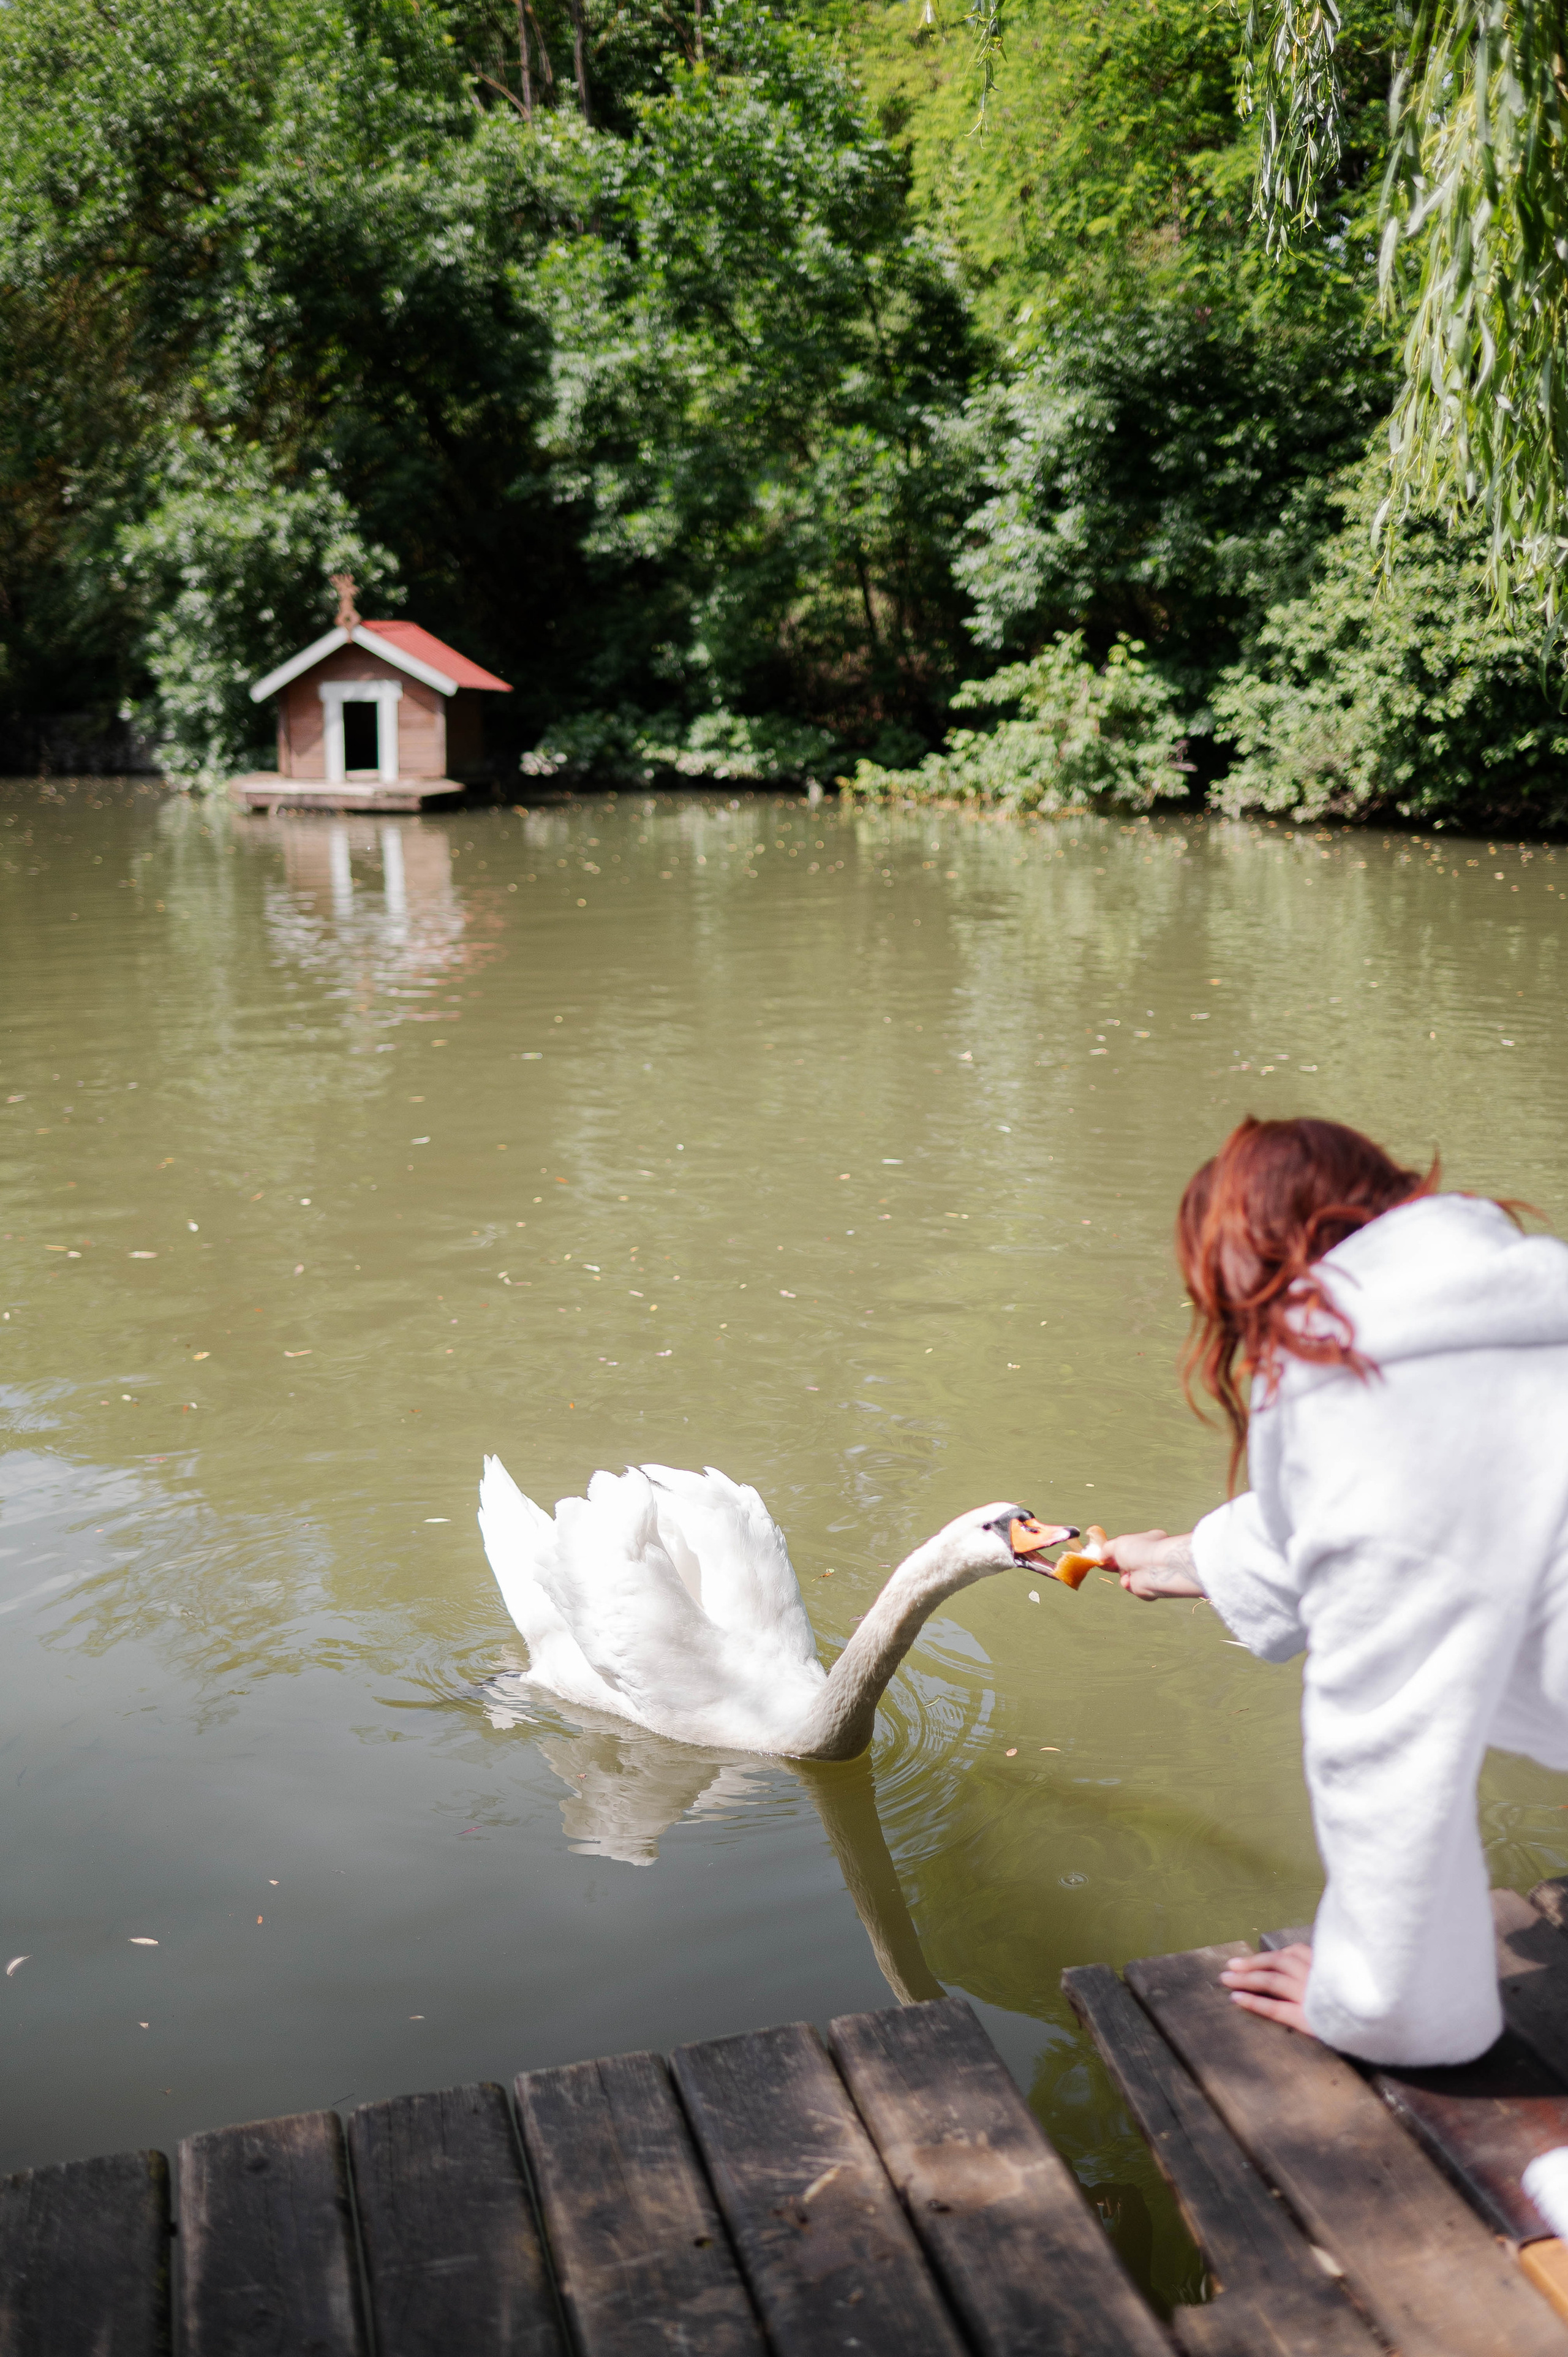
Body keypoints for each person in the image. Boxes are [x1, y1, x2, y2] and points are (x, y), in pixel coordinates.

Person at [1104, 1116, 1568, 2066]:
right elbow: (1451, 1498)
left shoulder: (1361, 1412)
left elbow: (1389, 1745)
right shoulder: (1521, 1301)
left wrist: (1375, 2001)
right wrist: (1189, 1559)